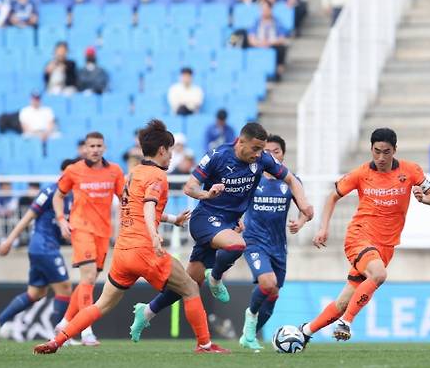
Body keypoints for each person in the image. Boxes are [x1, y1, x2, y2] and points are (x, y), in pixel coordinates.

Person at [34, 120, 229, 354]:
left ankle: (57, 340)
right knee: (190, 287)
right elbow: (148, 207)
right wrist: (154, 235)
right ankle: (205, 344)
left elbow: (139, 207)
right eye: (171, 151)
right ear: (162, 150)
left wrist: (172, 219)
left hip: (123, 251)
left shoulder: (134, 172)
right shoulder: (157, 176)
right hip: (144, 248)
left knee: (101, 304)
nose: (171, 157)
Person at [131, 122, 313, 333]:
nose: (258, 154)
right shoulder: (217, 155)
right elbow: (190, 187)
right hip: (205, 219)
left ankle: (146, 313)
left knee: (189, 284)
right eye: (255, 148)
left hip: (228, 224)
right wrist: (206, 194)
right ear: (240, 141)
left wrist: (305, 204)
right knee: (237, 245)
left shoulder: (263, 159)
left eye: (261, 149)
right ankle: (216, 278)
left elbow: (292, 180)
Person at [299, 128, 430, 344]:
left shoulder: (411, 171)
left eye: (386, 152)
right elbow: (331, 197)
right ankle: (346, 323)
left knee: (344, 301)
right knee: (379, 275)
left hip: (386, 246)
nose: (381, 157)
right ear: (371, 149)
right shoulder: (360, 173)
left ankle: (304, 332)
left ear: (395, 150)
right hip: (359, 237)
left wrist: (423, 199)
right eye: (376, 151)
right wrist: (323, 228)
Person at [0, 160, 75, 344]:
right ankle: (60, 337)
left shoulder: (73, 196)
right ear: (62, 173)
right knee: (64, 288)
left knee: (36, 293)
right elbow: (28, 216)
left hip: (46, 247)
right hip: (43, 246)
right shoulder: (50, 191)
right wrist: (9, 240)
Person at [52, 131, 124, 346]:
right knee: (89, 277)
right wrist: (61, 220)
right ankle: (86, 331)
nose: (94, 150)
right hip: (81, 229)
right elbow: (58, 195)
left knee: (88, 281)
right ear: (84, 148)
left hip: (103, 232)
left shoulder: (115, 171)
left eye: (98, 146)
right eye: (91, 146)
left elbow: (123, 199)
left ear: (104, 148)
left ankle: (64, 324)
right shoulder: (73, 170)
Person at [238, 135, 309, 350]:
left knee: (273, 292)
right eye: (266, 151)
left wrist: (301, 221)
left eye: (276, 151)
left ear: (283, 154)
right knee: (267, 283)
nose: (271, 155)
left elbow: (306, 209)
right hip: (254, 241)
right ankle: (250, 320)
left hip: (279, 246)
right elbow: (236, 203)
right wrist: (237, 221)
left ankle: (248, 336)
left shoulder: (291, 181)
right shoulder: (252, 177)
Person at [248, 0, 290, 79]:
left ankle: (278, 72)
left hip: (272, 44)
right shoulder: (256, 22)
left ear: (270, 9)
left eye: (266, 9)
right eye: (262, 9)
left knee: (282, 49)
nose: (264, 11)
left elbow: (282, 38)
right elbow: (251, 38)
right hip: (258, 44)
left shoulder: (277, 22)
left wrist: (270, 43)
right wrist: (260, 44)